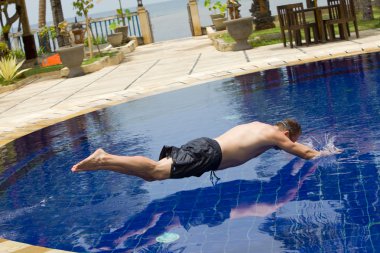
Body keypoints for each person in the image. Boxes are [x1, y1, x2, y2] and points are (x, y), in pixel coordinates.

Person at [71, 119, 340, 181]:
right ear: (287, 133)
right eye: (292, 139)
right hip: (208, 155)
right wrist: (328, 154)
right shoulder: (275, 135)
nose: (289, 144)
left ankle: (102, 162)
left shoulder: (260, 127)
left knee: (151, 175)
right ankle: (105, 157)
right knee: (155, 170)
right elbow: (305, 153)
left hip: (205, 148)